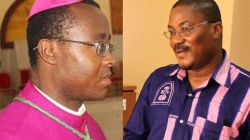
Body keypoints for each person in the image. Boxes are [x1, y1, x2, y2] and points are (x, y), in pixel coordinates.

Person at [124, 0, 250, 139]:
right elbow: (134, 135)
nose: (175, 41)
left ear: (216, 30)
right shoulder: (158, 79)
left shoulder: (246, 92)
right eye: (172, 32)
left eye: (185, 29)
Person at [0, 0, 115, 139]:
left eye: (108, 47)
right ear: (49, 51)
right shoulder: (10, 134)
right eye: (99, 46)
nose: (111, 60)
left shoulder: (90, 125)